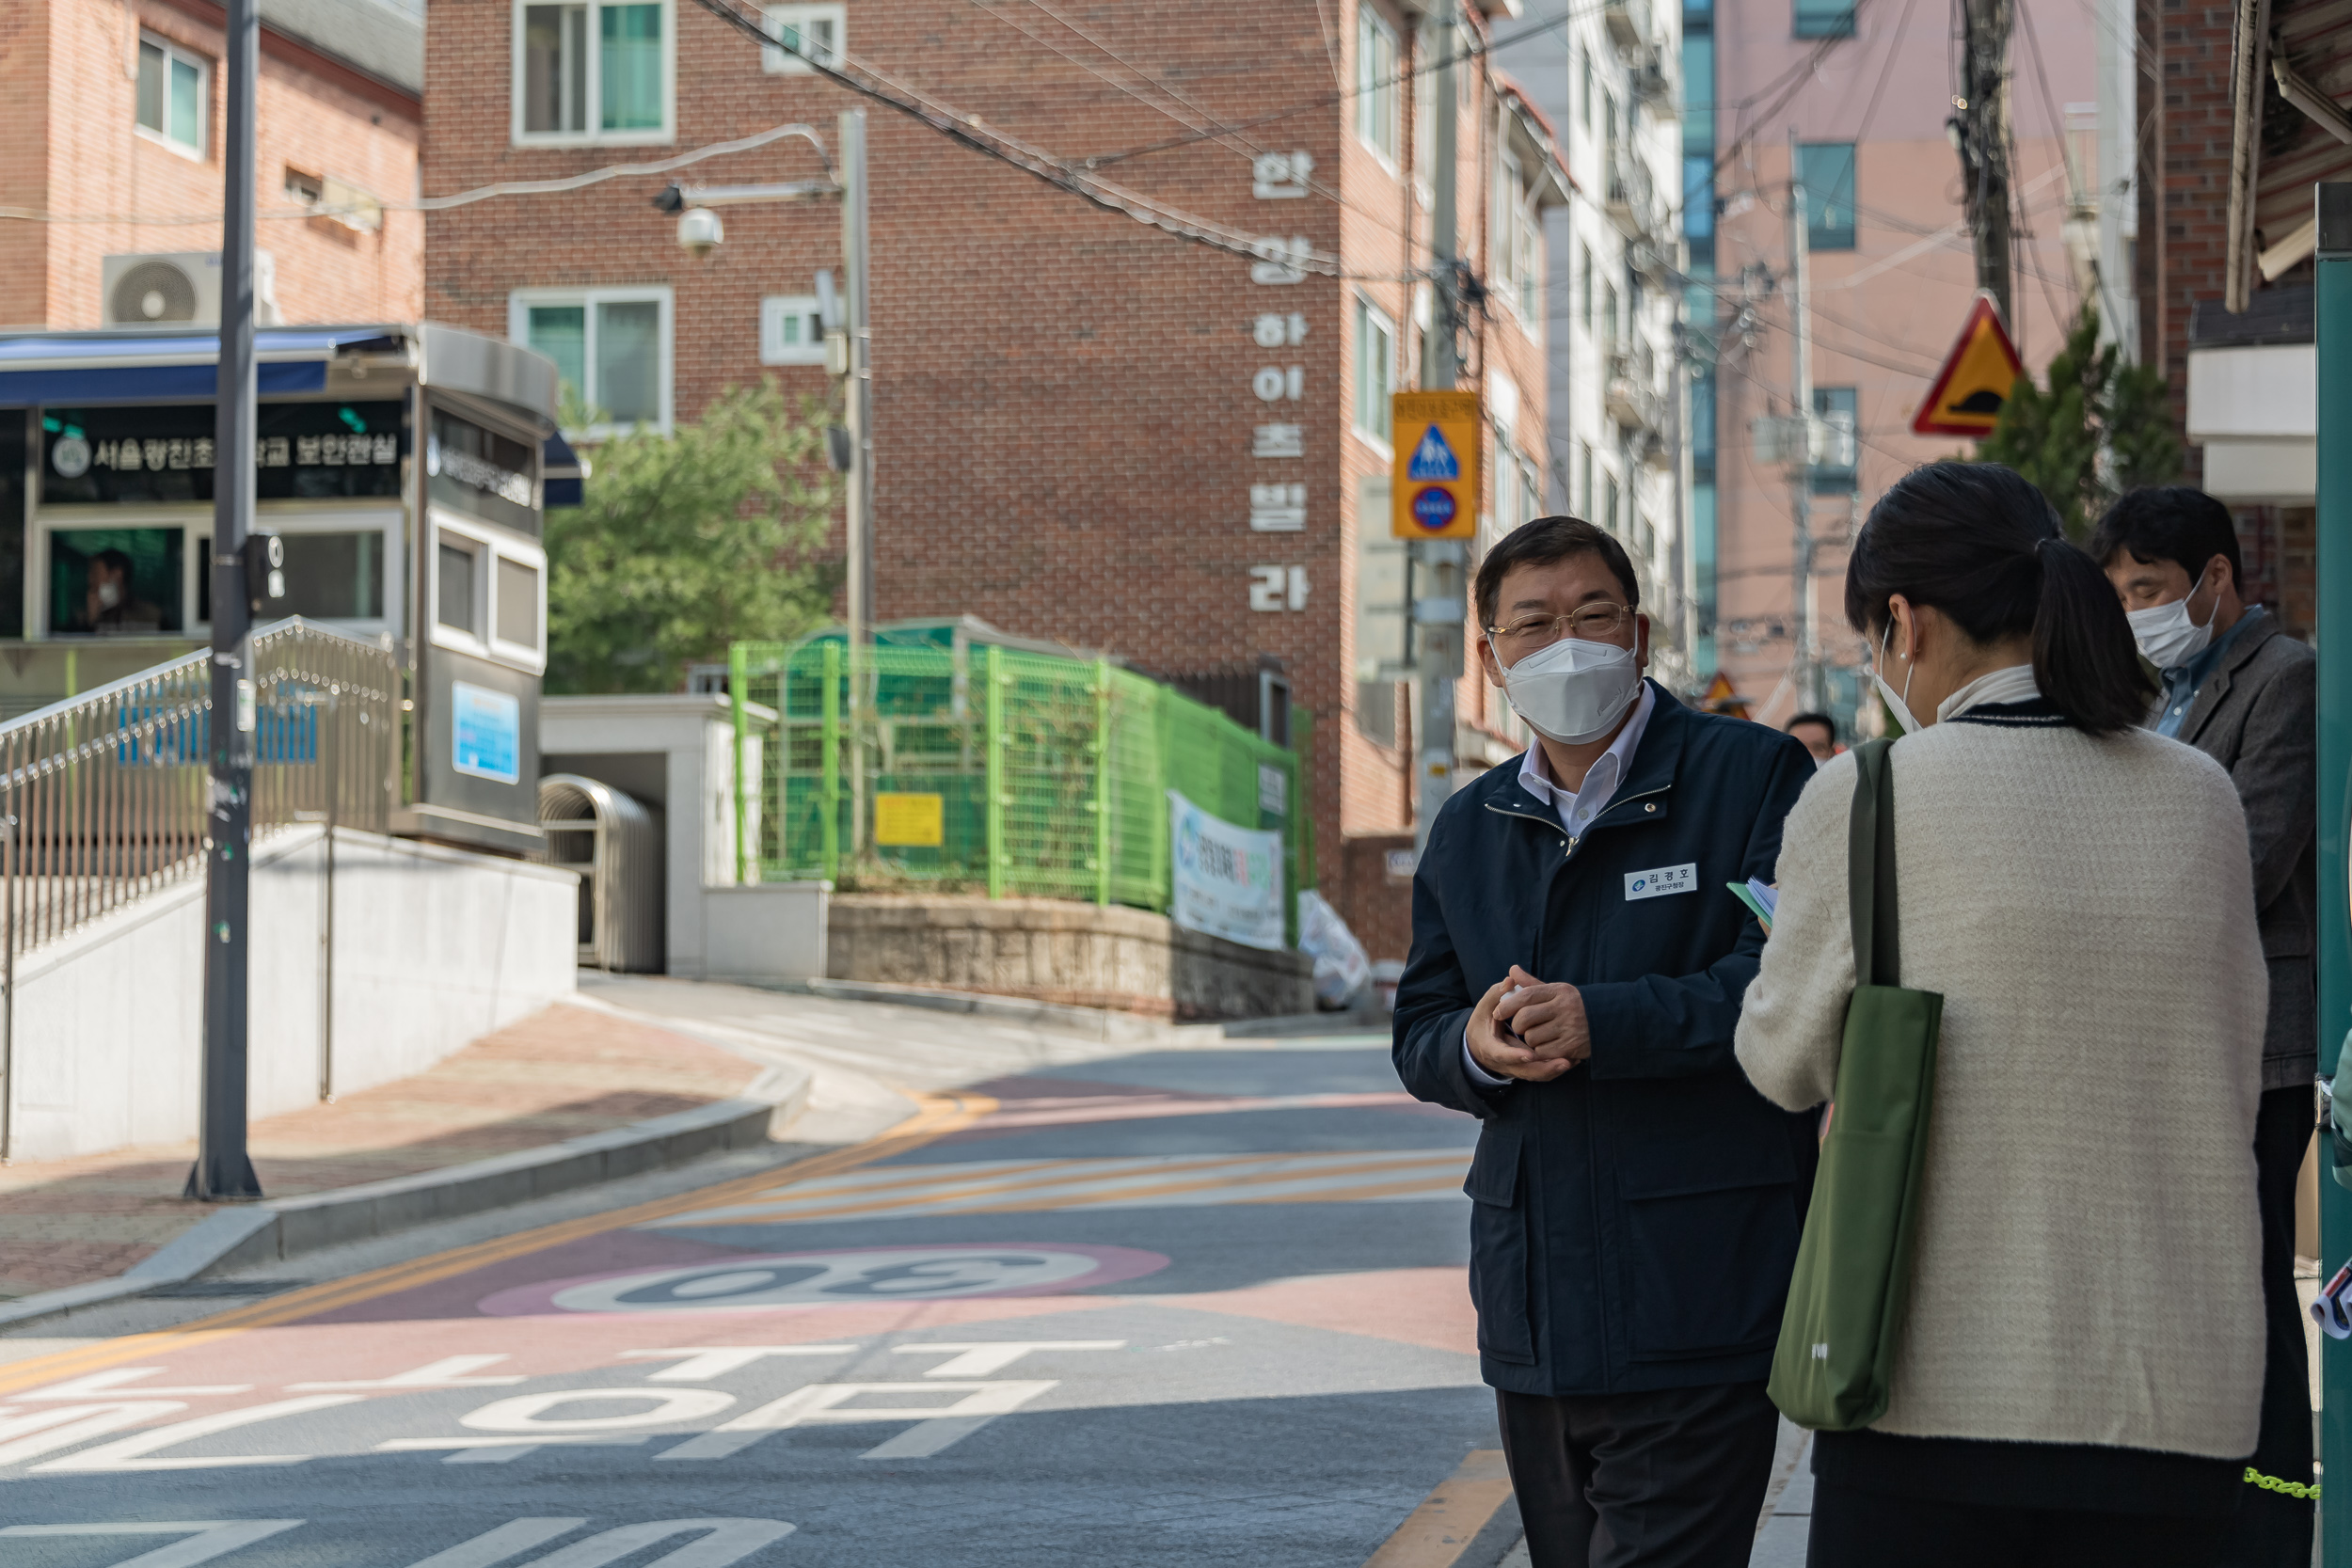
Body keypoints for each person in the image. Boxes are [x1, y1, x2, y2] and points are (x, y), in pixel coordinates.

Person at [1735, 462, 2266, 1566]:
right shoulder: (2199, 796)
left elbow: (1780, 1061)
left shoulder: (1865, 794)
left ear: (1902, 622)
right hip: (2174, 1395)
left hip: (1933, 1389)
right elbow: (2229, 1049)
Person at [1392, 515, 1819, 1568]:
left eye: (1590, 615)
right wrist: (1479, 1045)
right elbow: (1420, 1026)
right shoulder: (1470, 822)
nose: (1564, 643)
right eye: (1530, 623)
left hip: (1699, 1286)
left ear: (1639, 631)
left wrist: (1602, 1019)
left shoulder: (1752, 775)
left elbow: (1784, 984)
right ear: (1490, 657)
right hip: (1534, 1304)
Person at [2090, 484, 2316, 1563]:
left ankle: (2274, 1511)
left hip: (2259, 1036)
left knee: (2255, 1270)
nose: (2133, 611)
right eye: (2119, 593)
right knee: (2194, 1275)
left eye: (2148, 589)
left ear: (2216, 579)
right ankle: (2205, 1492)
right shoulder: (2153, 697)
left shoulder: (2285, 678)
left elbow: (2254, 852)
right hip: (2174, 1036)